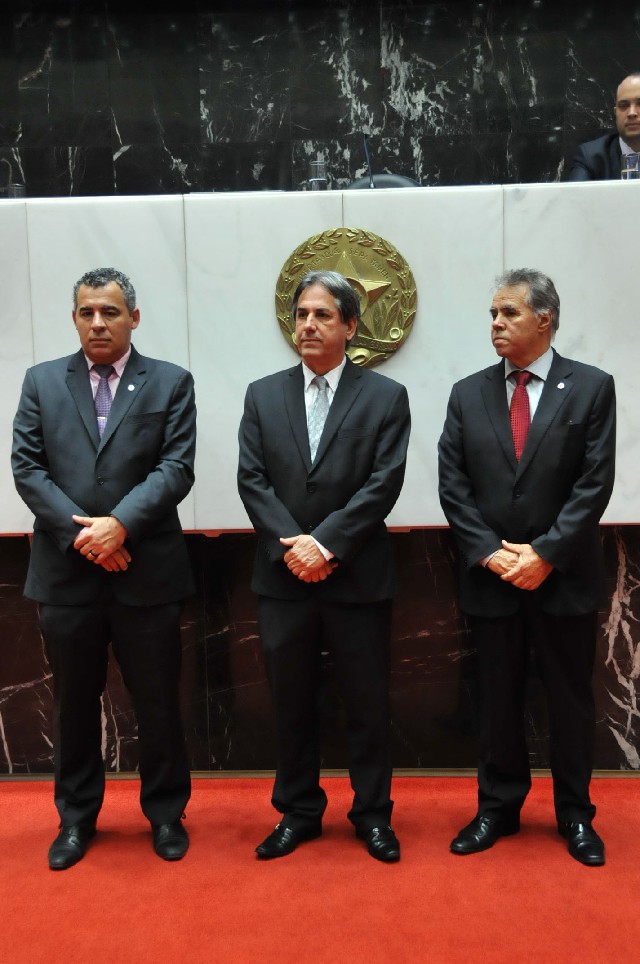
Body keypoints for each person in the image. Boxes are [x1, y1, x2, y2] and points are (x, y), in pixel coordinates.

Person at [11, 267, 196, 870]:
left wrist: (120, 525)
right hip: (67, 576)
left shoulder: (170, 382)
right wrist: (85, 536)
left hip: (147, 571)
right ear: (74, 318)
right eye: (87, 312)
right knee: (72, 704)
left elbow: (176, 467)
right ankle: (75, 819)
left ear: (133, 318)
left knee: (158, 701)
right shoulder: (42, 382)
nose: (98, 323)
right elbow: (28, 469)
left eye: (110, 312)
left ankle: (165, 814)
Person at [438, 268, 615, 866]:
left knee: (570, 700)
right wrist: (492, 552)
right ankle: (497, 809)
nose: (496, 323)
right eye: (493, 313)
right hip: (492, 577)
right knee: (495, 699)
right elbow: (453, 484)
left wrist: (545, 554)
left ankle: (576, 815)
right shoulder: (467, 393)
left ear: (545, 319)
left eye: (508, 313)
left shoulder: (590, 388)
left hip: (563, 576)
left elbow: (594, 483)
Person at [237, 270, 411, 862]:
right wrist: (294, 548)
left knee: (367, 703)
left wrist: (327, 544)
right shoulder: (263, 394)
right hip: (283, 577)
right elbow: (252, 480)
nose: (308, 325)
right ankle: (298, 812)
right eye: (302, 315)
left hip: (356, 576)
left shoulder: (385, 396)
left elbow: (384, 482)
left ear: (351, 326)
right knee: (290, 702)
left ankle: (373, 815)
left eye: (323, 315)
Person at [568, 72, 640, 180]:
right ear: (615, 113)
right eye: (623, 105)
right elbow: (576, 191)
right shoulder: (590, 157)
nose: (631, 113)